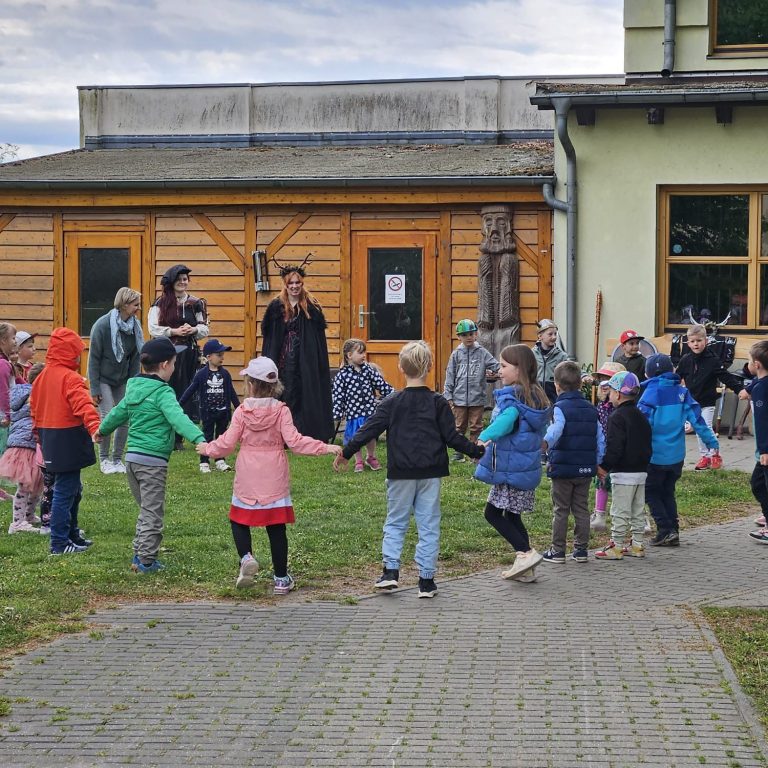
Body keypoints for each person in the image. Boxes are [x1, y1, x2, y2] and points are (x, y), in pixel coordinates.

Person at [334, 341, 483, 598]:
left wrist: (346, 452)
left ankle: (390, 572)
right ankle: (426, 580)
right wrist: (476, 450)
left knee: (396, 521)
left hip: (401, 471)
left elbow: (369, 429)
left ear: (401, 368)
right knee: (428, 523)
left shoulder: (392, 402)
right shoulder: (437, 402)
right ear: (430, 367)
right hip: (430, 472)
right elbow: (452, 437)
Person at [196, 357, 342, 593]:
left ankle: (246, 558)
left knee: (238, 520)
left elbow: (227, 443)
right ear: (275, 386)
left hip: (248, 472)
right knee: (276, 527)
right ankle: (282, 579)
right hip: (274, 472)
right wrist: (325, 447)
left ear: (250, 384)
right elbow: (295, 442)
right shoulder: (281, 411)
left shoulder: (242, 412)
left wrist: (208, 449)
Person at [99, 337, 205, 573]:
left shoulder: (134, 389)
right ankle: (146, 561)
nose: (175, 368)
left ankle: (140, 553)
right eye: (175, 363)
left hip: (132, 460)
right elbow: (178, 418)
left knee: (146, 509)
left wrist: (102, 430)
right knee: (152, 512)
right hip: (152, 463)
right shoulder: (162, 392)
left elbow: (117, 413)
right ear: (165, 365)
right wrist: (199, 439)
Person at [475, 344, 550, 583]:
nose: (500, 369)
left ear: (520, 370)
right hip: (524, 470)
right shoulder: (535, 395)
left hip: (509, 470)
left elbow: (505, 423)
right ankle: (526, 569)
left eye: (504, 366)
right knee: (513, 517)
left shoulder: (513, 399)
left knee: (493, 513)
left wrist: (483, 438)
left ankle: (526, 553)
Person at [31, 327, 101, 555]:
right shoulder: (70, 378)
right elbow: (84, 405)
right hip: (67, 436)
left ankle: (71, 534)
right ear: (70, 353)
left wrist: (38, 436)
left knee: (72, 489)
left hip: (49, 436)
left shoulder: (41, 377)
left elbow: (35, 409)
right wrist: (95, 427)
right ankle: (59, 543)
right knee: (65, 490)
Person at [638, 353, 719, 547]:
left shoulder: (649, 394)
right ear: (672, 371)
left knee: (651, 493)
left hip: (654, 456)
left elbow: (642, 424)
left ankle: (665, 530)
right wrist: (712, 443)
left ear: (648, 374)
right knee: (667, 491)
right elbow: (698, 421)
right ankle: (673, 530)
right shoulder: (682, 392)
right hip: (676, 456)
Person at [261, 263, 333, 442]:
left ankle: (304, 433)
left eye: (297, 283)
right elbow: (270, 337)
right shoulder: (276, 307)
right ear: (285, 285)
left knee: (304, 391)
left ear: (302, 284)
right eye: (290, 283)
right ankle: (280, 433)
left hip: (305, 360)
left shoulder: (311, 307)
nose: (294, 286)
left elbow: (318, 340)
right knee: (283, 391)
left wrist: (315, 361)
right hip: (283, 359)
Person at [541, 360, 605, 565]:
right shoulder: (591, 409)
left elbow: (556, 430)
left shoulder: (559, 408)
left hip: (562, 467)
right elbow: (600, 439)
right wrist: (599, 462)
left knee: (561, 509)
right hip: (585, 468)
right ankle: (581, 550)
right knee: (581, 508)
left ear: (557, 386)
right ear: (580, 384)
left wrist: (544, 444)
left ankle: (558, 550)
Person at [148, 264, 209, 449]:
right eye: (180, 279)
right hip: (167, 354)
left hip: (189, 354)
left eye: (185, 279)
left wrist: (194, 329)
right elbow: (153, 328)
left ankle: (180, 437)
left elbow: (205, 328)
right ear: (172, 282)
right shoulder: (160, 303)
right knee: (167, 391)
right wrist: (174, 331)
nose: (183, 282)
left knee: (187, 392)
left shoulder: (195, 303)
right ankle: (166, 434)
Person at [594, 372, 653, 560]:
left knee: (619, 510)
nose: (609, 394)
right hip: (641, 471)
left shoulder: (616, 417)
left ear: (618, 394)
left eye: (610, 390)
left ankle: (616, 545)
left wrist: (604, 466)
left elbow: (614, 446)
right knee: (637, 510)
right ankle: (637, 545)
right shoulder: (641, 416)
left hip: (623, 473)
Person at [88, 287, 144, 474]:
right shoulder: (102, 326)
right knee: (109, 416)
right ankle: (104, 460)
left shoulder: (135, 327)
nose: (138, 308)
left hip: (122, 379)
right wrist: (94, 388)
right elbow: (93, 359)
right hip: (103, 379)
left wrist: (133, 384)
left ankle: (117, 459)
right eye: (136, 304)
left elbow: (136, 358)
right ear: (125, 305)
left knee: (125, 417)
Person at [675, 323, 737, 471]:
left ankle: (715, 454)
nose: (696, 344)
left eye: (699, 340)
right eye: (692, 341)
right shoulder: (685, 360)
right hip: (692, 402)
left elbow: (725, 377)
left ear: (706, 341)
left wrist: (740, 389)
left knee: (706, 427)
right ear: (688, 343)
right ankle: (705, 456)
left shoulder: (713, 360)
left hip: (707, 401)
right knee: (698, 428)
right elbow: (676, 378)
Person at [332, 338, 393, 472]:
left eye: (364, 352)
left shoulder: (368, 370)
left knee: (371, 436)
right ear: (349, 355)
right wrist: (338, 412)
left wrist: (392, 394)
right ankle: (358, 460)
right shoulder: (342, 376)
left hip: (369, 412)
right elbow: (338, 396)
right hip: (354, 413)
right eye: (360, 353)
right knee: (356, 437)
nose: (364, 356)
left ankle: (371, 457)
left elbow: (380, 383)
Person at [180, 338, 240, 474]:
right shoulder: (201, 375)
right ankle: (204, 461)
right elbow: (190, 390)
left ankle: (220, 460)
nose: (222, 358)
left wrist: (240, 408)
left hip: (223, 413)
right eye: (219, 355)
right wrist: (179, 405)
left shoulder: (225, 374)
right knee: (206, 436)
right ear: (208, 357)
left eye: (222, 355)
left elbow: (231, 393)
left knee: (221, 437)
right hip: (207, 413)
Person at [443, 318, 500, 462]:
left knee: (476, 426)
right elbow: (450, 375)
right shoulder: (456, 354)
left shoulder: (482, 352)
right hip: (459, 398)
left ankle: (475, 452)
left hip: (477, 398)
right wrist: (448, 396)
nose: (468, 337)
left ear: (476, 334)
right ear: (459, 337)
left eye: (471, 334)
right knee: (459, 426)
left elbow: (495, 364)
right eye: (465, 335)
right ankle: (458, 452)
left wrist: (501, 371)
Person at [0, 363, 45, 533]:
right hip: (25, 445)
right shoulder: (34, 396)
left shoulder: (23, 394)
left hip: (29, 444)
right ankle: (17, 523)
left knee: (35, 484)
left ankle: (29, 515)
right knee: (26, 486)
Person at [589, 360, 626, 531]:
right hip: (603, 451)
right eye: (601, 381)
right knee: (601, 481)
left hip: (620, 451)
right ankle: (600, 515)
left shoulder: (621, 408)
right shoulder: (601, 406)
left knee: (624, 486)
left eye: (608, 381)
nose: (603, 386)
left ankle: (637, 517)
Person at [744, 341, 768, 544]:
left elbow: (762, 421)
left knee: (761, 485)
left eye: (749, 361)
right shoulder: (760, 385)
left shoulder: (761, 389)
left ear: (757, 364)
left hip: (766, 449)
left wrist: (764, 450)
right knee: (758, 483)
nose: (748, 364)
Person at [532, 319, 569, 404]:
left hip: (554, 399)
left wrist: (583, 376)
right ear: (540, 336)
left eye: (555, 334)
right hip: (536, 400)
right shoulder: (532, 354)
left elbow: (571, 368)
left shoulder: (561, 356)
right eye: (550, 334)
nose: (554, 337)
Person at [0, 323, 17, 503]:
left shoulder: (8, 363)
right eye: (13, 338)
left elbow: (20, 382)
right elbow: (3, 392)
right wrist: (7, 415)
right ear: (3, 341)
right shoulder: (3, 364)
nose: (15, 342)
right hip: (1, 416)